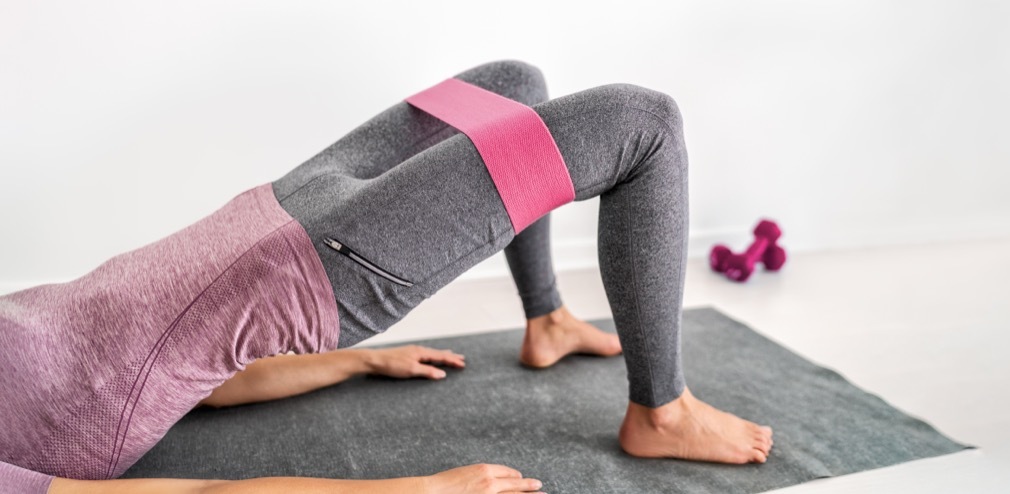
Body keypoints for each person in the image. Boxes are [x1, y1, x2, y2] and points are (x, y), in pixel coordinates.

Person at [0, 60, 773, 494]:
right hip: (313, 268)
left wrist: (357, 362)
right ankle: (661, 414)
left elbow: (179, 371)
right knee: (642, 124)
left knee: (511, 85)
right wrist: (414, 491)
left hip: (276, 206)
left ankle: (548, 319)